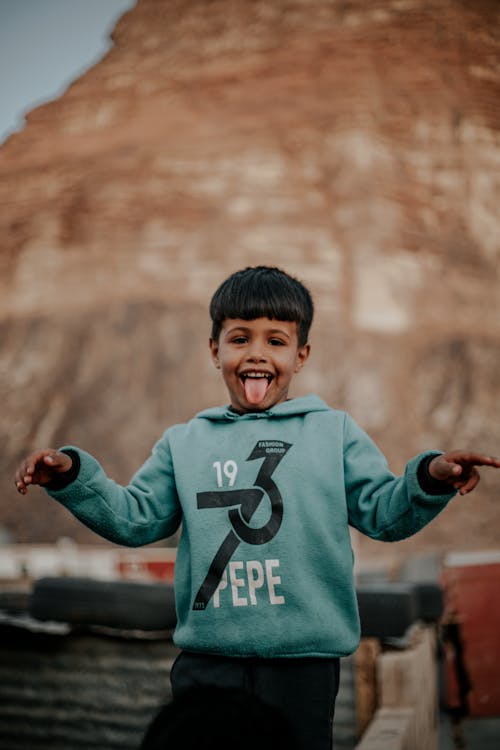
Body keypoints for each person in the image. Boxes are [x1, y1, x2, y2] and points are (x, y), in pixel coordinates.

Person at [15, 266, 500, 750]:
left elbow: (382, 512)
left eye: (275, 341)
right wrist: (73, 478)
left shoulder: (334, 433)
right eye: (240, 338)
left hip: (304, 664)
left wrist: (429, 477)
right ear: (214, 350)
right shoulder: (184, 443)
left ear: (301, 354)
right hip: (207, 662)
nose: (256, 354)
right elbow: (135, 518)